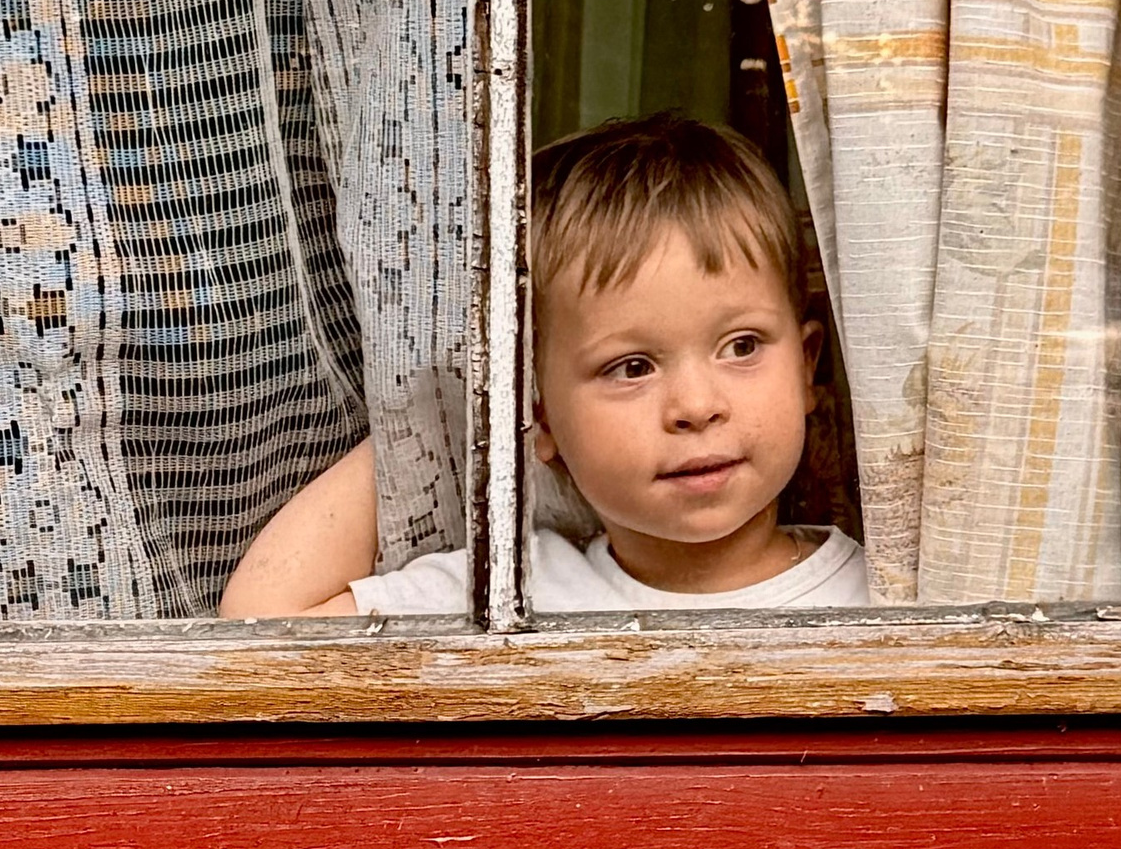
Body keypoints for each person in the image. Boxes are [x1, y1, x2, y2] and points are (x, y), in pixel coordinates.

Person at [220, 112, 869, 617]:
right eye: (632, 367)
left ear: (806, 365)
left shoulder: (889, 593)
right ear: (540, 419)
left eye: (742, 346)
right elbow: (263, 627)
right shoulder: (510, 596)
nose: (697, 406)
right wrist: (439, 417)